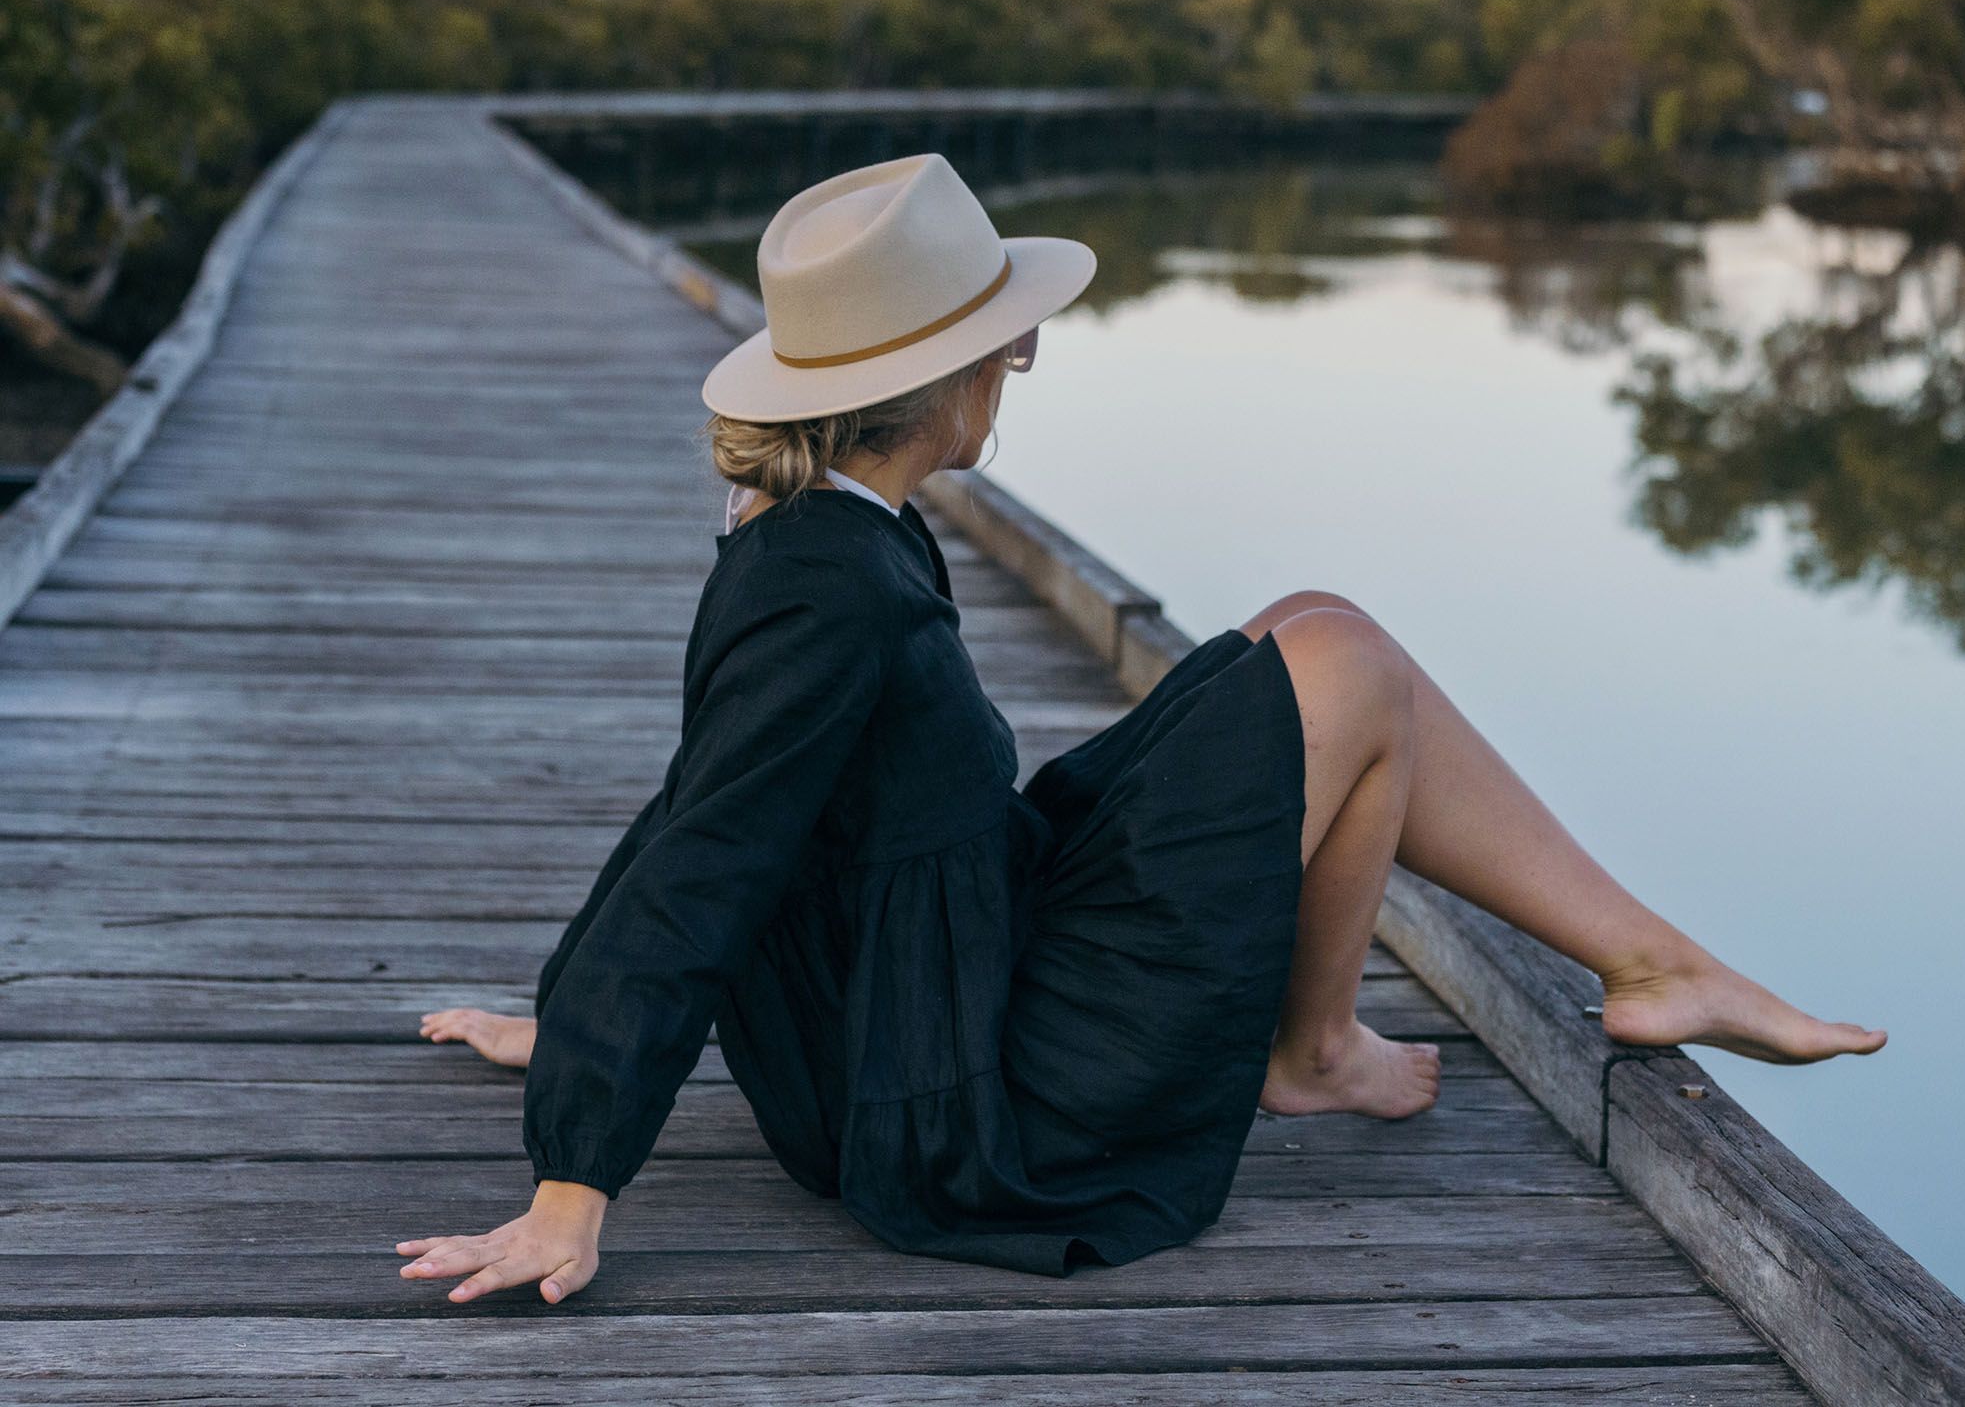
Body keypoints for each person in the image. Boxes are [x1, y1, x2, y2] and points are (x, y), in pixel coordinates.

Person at [400, 152, 1884, 1307]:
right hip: (961, 1101)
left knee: (1312, 625)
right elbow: (706, 851)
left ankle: (1571, 980)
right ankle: (1383, 1030)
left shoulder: (817, 527)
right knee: (1352, 671)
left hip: (957, 968)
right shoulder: (825, 590)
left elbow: (702, 796)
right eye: (1012, 347)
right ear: (939, 384)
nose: (1020, 370)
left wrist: (566, 1016)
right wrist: (571, 1175)